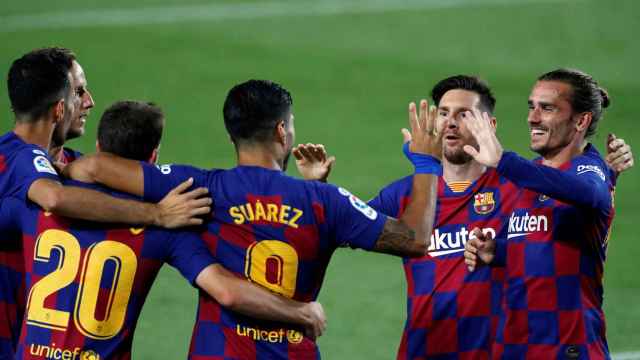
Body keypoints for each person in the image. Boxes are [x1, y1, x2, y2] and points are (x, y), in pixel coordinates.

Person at [63, 79, 442, 358]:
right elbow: (415, 238)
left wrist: (157, 212)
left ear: (232, 135)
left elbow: (91, 168)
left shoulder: (201, 188)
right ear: (282, 130)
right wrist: (426, 162)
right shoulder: (325, 202)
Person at [296, 74, 633, 359]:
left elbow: (576, 196)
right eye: (443, 113)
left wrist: (603, 169)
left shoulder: (518, 183)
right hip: (424, 348)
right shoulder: (406, 193)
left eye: (464, 114)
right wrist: (319, 190)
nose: (451, 122)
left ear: (490, 125)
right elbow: (346, 229)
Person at [6, 100, 326, 359]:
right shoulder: (167, 228)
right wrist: (300, 312)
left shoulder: (37, 207)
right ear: (154, 157)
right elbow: (227, 291)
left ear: (99, 145)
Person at [0, 48, 208, 358]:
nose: (89, 102)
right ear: (59, 110)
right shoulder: (15, 161)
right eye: (80, 92)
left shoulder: (68, 167)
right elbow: (55, 198)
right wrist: (158, 214)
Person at [463, 68, 618, 358]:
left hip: (566, 346)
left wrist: (503, 160)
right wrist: (496, 251)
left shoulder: (588, 170)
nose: (532, 118)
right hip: (518, 345)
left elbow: (592, 194)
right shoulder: (534, 176)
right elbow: (544, 246)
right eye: (532, 107)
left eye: (547, 108)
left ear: (581, 120)